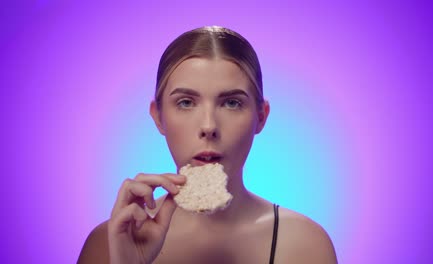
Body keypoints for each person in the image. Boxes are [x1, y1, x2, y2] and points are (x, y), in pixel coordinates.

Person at [78, 26, 337, 264]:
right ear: (158, 117)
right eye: (186, 102)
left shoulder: (305, 244)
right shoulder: (108, 244)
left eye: (232, 103)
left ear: (261, 117)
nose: (209, 126)